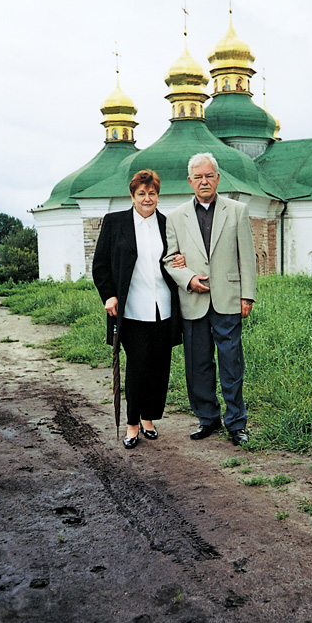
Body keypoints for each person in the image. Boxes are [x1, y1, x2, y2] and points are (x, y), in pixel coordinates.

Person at [164, 153, 256, 446]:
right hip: (193, 301)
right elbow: (169, 259)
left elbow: (247, 258)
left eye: (209, 176)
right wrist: (188, 278)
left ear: (218, 178)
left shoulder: (237, 211)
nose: (204, 181)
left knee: (231, 363)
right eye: (198, 177)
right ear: (190, 181)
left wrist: (247, 295)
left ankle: (236, 423)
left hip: (228, 300)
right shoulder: (176, 217)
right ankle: (207, 418)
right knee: (198, 364)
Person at [92, 169, 184, 450]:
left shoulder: (167, 224)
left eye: (152, 193)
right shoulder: (114, 222)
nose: (147, 198)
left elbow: (174, 257)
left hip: (163, 307)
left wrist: (181, 259)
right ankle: (132, 423)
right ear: (132, 196)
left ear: (158, 196)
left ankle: (149, 418)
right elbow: (100, 265)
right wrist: (108, 296)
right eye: (142, 194)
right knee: (137, 367)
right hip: (130, 310)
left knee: (159, 367)